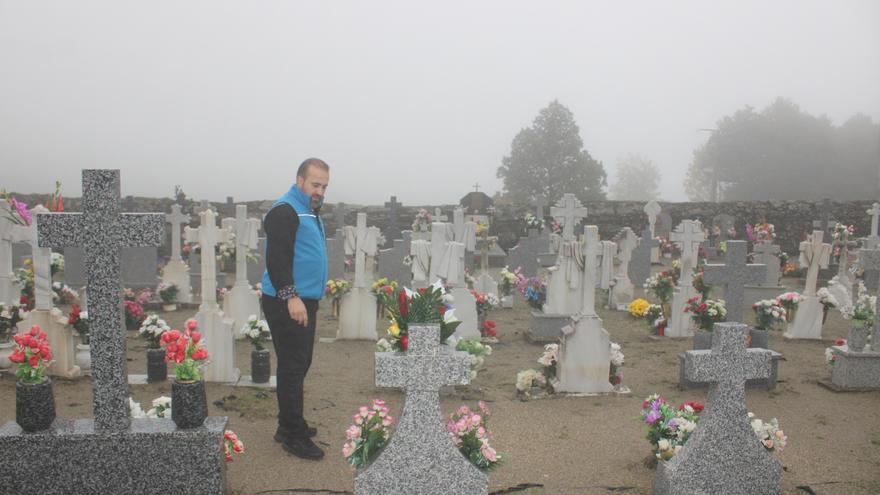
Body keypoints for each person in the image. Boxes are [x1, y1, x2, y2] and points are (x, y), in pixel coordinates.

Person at [260, 158, 330, 460]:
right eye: (315, 184)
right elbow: (276, 258)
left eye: (324, 186)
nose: (320, 191)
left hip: (303, 299)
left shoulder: (307, 209)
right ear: (299, 180)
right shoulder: (285, 211)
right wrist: (290, 296)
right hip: (287, 301)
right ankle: (292, 435)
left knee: (299, 364)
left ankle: (288, 423)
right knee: (292, 365)